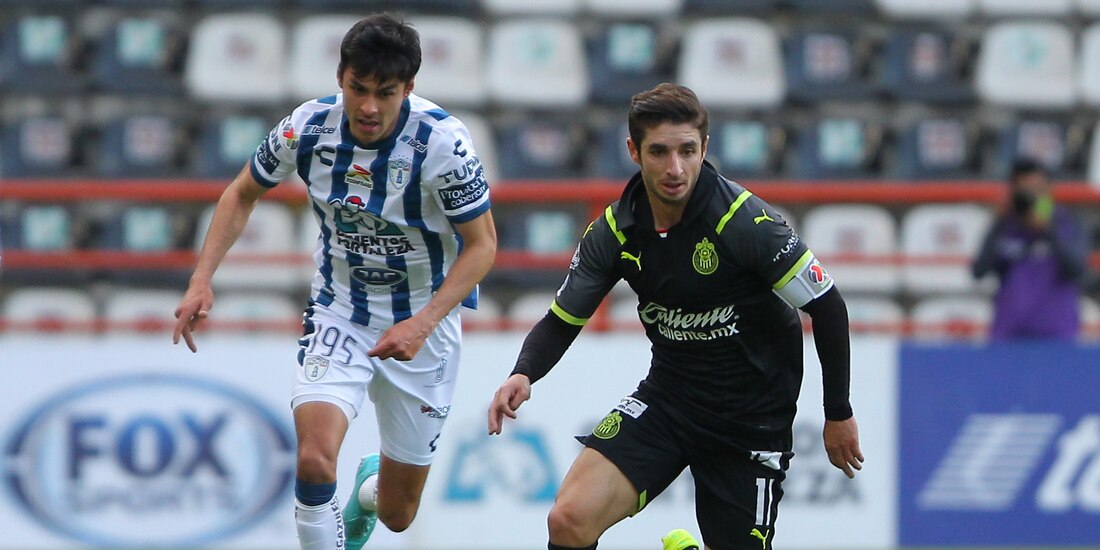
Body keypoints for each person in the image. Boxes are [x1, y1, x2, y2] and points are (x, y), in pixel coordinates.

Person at [487, 83, 863, 550]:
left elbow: (826, 304)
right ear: (633, 151)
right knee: (568, 519)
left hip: (751, 422)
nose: (675, 168)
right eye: (659, 152)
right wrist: (524, 372)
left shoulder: (744, 223)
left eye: (687, 151)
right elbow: (564, 318)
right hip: (670, 402)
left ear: (705, 147)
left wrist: (837, 413)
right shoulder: (614, 230)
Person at [172, 14, 496, 550]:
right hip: (339, 311)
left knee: (397, 514)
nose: (369, 107)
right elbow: (241, 192)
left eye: (385, 93)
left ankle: (370, 490)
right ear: (340, 75)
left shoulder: (443, 145)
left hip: (424, 324)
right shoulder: (308, 127)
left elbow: (483, 247)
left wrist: (422, 323)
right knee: (314, 457)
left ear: (409, 88)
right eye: (357, 89)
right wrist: (201, 279)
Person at [972, 159, 1088, 341]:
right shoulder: (1006, 225)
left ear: (1049, 189)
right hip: (1009, 332)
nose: (1031, 195)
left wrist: (1047, 228)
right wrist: (997, 223)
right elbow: (979, 271)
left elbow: (1077, 270)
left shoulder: (1067, 222)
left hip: (1056, 333)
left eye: (1036, 188)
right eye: (1023, 189)